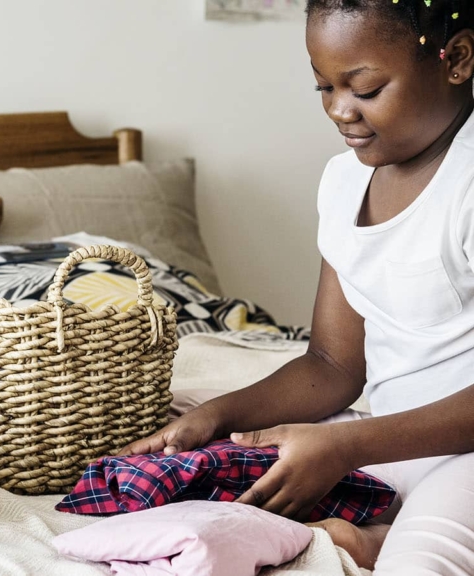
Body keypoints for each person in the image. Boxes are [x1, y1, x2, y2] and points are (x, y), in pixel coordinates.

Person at [124, 1, 474, 573]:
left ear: (455, 58)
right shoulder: (343, 183)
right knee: (190, 481)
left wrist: (346, 447)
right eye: (323, 87)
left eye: (365, 88)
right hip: (386, 440)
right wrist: (217, 414)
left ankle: (384, 539)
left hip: (462, 453)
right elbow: (334, 364)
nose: (339, 110)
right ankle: (375, 532)